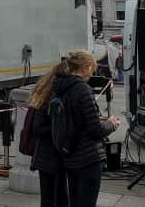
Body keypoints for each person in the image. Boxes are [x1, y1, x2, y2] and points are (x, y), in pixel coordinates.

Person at [36, 50, 121, 207]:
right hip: (88, 157)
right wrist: (111, 124)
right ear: (85, 67)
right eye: (92, 68)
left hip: (70, 157)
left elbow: (72, 121)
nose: (92, 73)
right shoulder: (83, 89)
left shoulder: (60, 87)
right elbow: (95, 130)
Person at [29, 65, 69, 207]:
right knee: (50, 198)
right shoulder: (49, 97)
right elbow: (38, 128)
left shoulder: (56, 94)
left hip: (54, 154)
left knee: (60, 196)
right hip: (47, 155)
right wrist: (60, 129)